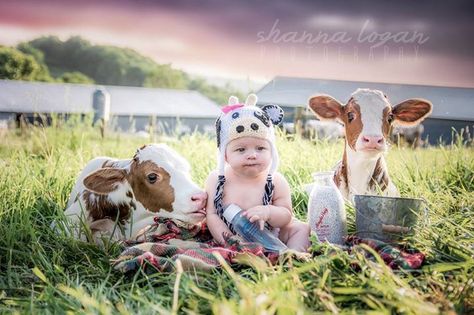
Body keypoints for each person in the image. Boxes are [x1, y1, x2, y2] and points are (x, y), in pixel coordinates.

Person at [205, 94, 311, 252]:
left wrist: (268, 212)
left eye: (260, 148)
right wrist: (230, 241)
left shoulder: (275, 180)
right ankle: (238, 250)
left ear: (272, 151)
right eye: (241, 149)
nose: (252, 155)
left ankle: (293, 257)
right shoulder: (217, 180)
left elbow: (286, 215)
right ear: (225, 155)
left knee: (301, 229)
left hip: (272, 235)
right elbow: (212, 215)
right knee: (222, 237)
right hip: (235, 236)